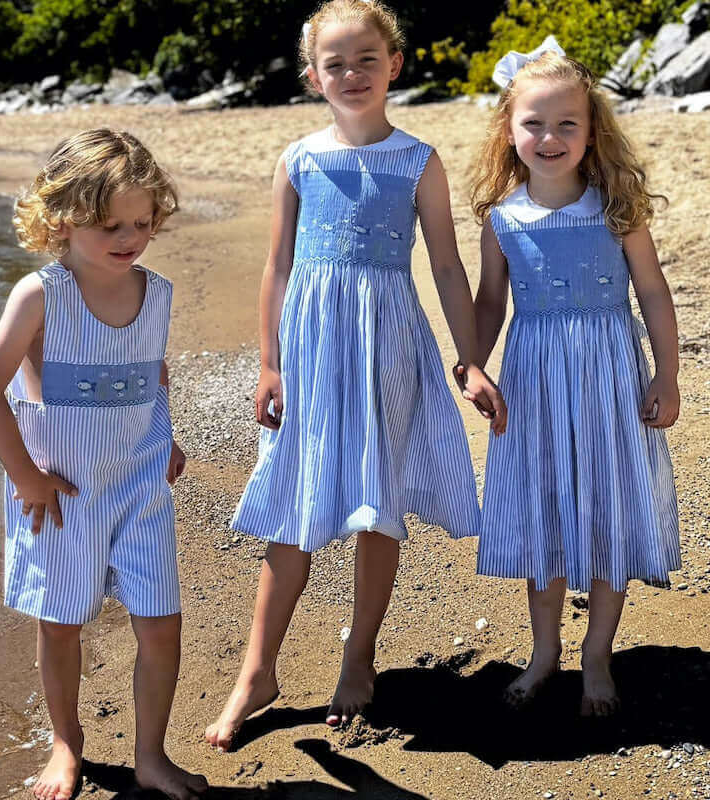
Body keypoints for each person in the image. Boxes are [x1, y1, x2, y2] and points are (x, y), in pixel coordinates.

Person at [205, 0, 506, 752]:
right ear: (313, 77)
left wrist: (470, 359)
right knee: (295, 501)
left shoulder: (418, 160)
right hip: (311, 348)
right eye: (335, 63)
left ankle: (359, 654)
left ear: (394, 65)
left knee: (378, 502)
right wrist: (270, 363)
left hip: (388, 343)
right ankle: (257, 671)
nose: (352, 73)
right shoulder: (299, 159)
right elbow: (276, 267)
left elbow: (443, 262)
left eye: (366, 59)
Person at [0, 128, 208, 800]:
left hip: (138, 484)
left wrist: (169, 438)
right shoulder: (42, 295)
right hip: (62, 490)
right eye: (111, 225)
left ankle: (151, 756)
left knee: (161, 621)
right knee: (63, 622)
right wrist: (25, 476)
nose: (130, 237)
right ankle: (66, 743)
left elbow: (149, 372)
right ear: (62, 219)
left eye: (143, 222)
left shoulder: (155, 292)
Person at [467, 37, 680, 716]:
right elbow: (491, 301)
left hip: (610, 378)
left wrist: (666, 374)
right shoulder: (502, 218)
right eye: (534, 123)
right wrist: (472, 365)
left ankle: (597, 657)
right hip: (532, 382)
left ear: (592, 132)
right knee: (546, 509)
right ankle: (544, 650)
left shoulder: (616, 208)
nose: (550, 137)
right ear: (509, 129)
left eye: (567, 123)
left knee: (609, 503)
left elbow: (652, 293)